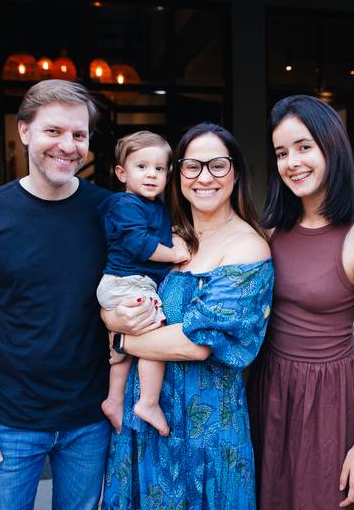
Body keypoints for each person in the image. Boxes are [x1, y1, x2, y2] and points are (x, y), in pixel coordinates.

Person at [0, 79, 112, 510]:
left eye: (79, 134)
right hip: (9, 419)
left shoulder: (109, 212)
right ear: (24, 131)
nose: (68, 146)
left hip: (90, 416)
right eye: (53, 131)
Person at [101, 123, 274, 509]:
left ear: (236, 172)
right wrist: (110, 316)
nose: (204, 177)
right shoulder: (169, 238)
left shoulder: (248, 247)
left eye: (217, 165)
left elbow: (198, 343)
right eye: (192, 166)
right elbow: (120, 287)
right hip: (144, 420)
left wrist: (120, 338)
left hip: (206, 430)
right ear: (178, 175)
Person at [249, 95, 354, 509]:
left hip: (331, 395)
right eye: (282, 153)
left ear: (331, 147)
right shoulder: (271, 230)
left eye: (303, 147)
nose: (292, 162)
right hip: (271, 388)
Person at [97, 130, 190, 437]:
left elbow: (162, 235)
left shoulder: (157, 207)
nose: (151, 174)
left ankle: (114, 400)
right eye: (142, 166)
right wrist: (174, 254)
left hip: (131, 283)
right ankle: (148, 403)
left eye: (159, 168)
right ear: (121, 173)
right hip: (125, 282)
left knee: (127, 345)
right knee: (154, 336)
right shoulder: (125, 203)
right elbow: (140, 244)